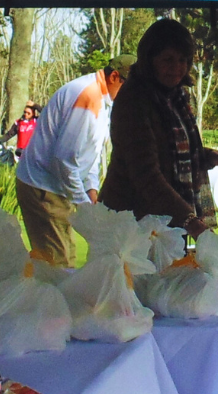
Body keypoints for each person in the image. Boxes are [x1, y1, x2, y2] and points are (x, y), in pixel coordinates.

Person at [101, 20, 218, 238]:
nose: (177, 68)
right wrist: (189, 220)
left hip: (167, 223)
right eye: (168, 59)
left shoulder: (176, 97)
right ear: (150, 59)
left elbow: (174, 152)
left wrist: (208, 156)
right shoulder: (134, 99)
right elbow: (145, 172)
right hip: (131, 224)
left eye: (183, 60)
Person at [17, 57, 132, 265]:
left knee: (65, 259)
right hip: (44, 186)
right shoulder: (88, 96)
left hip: (57, 186)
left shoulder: (103, 100)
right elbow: (65, 159)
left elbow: (89, 153)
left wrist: (91, 190)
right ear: (115, 76)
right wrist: (82, 202)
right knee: (57, 267)